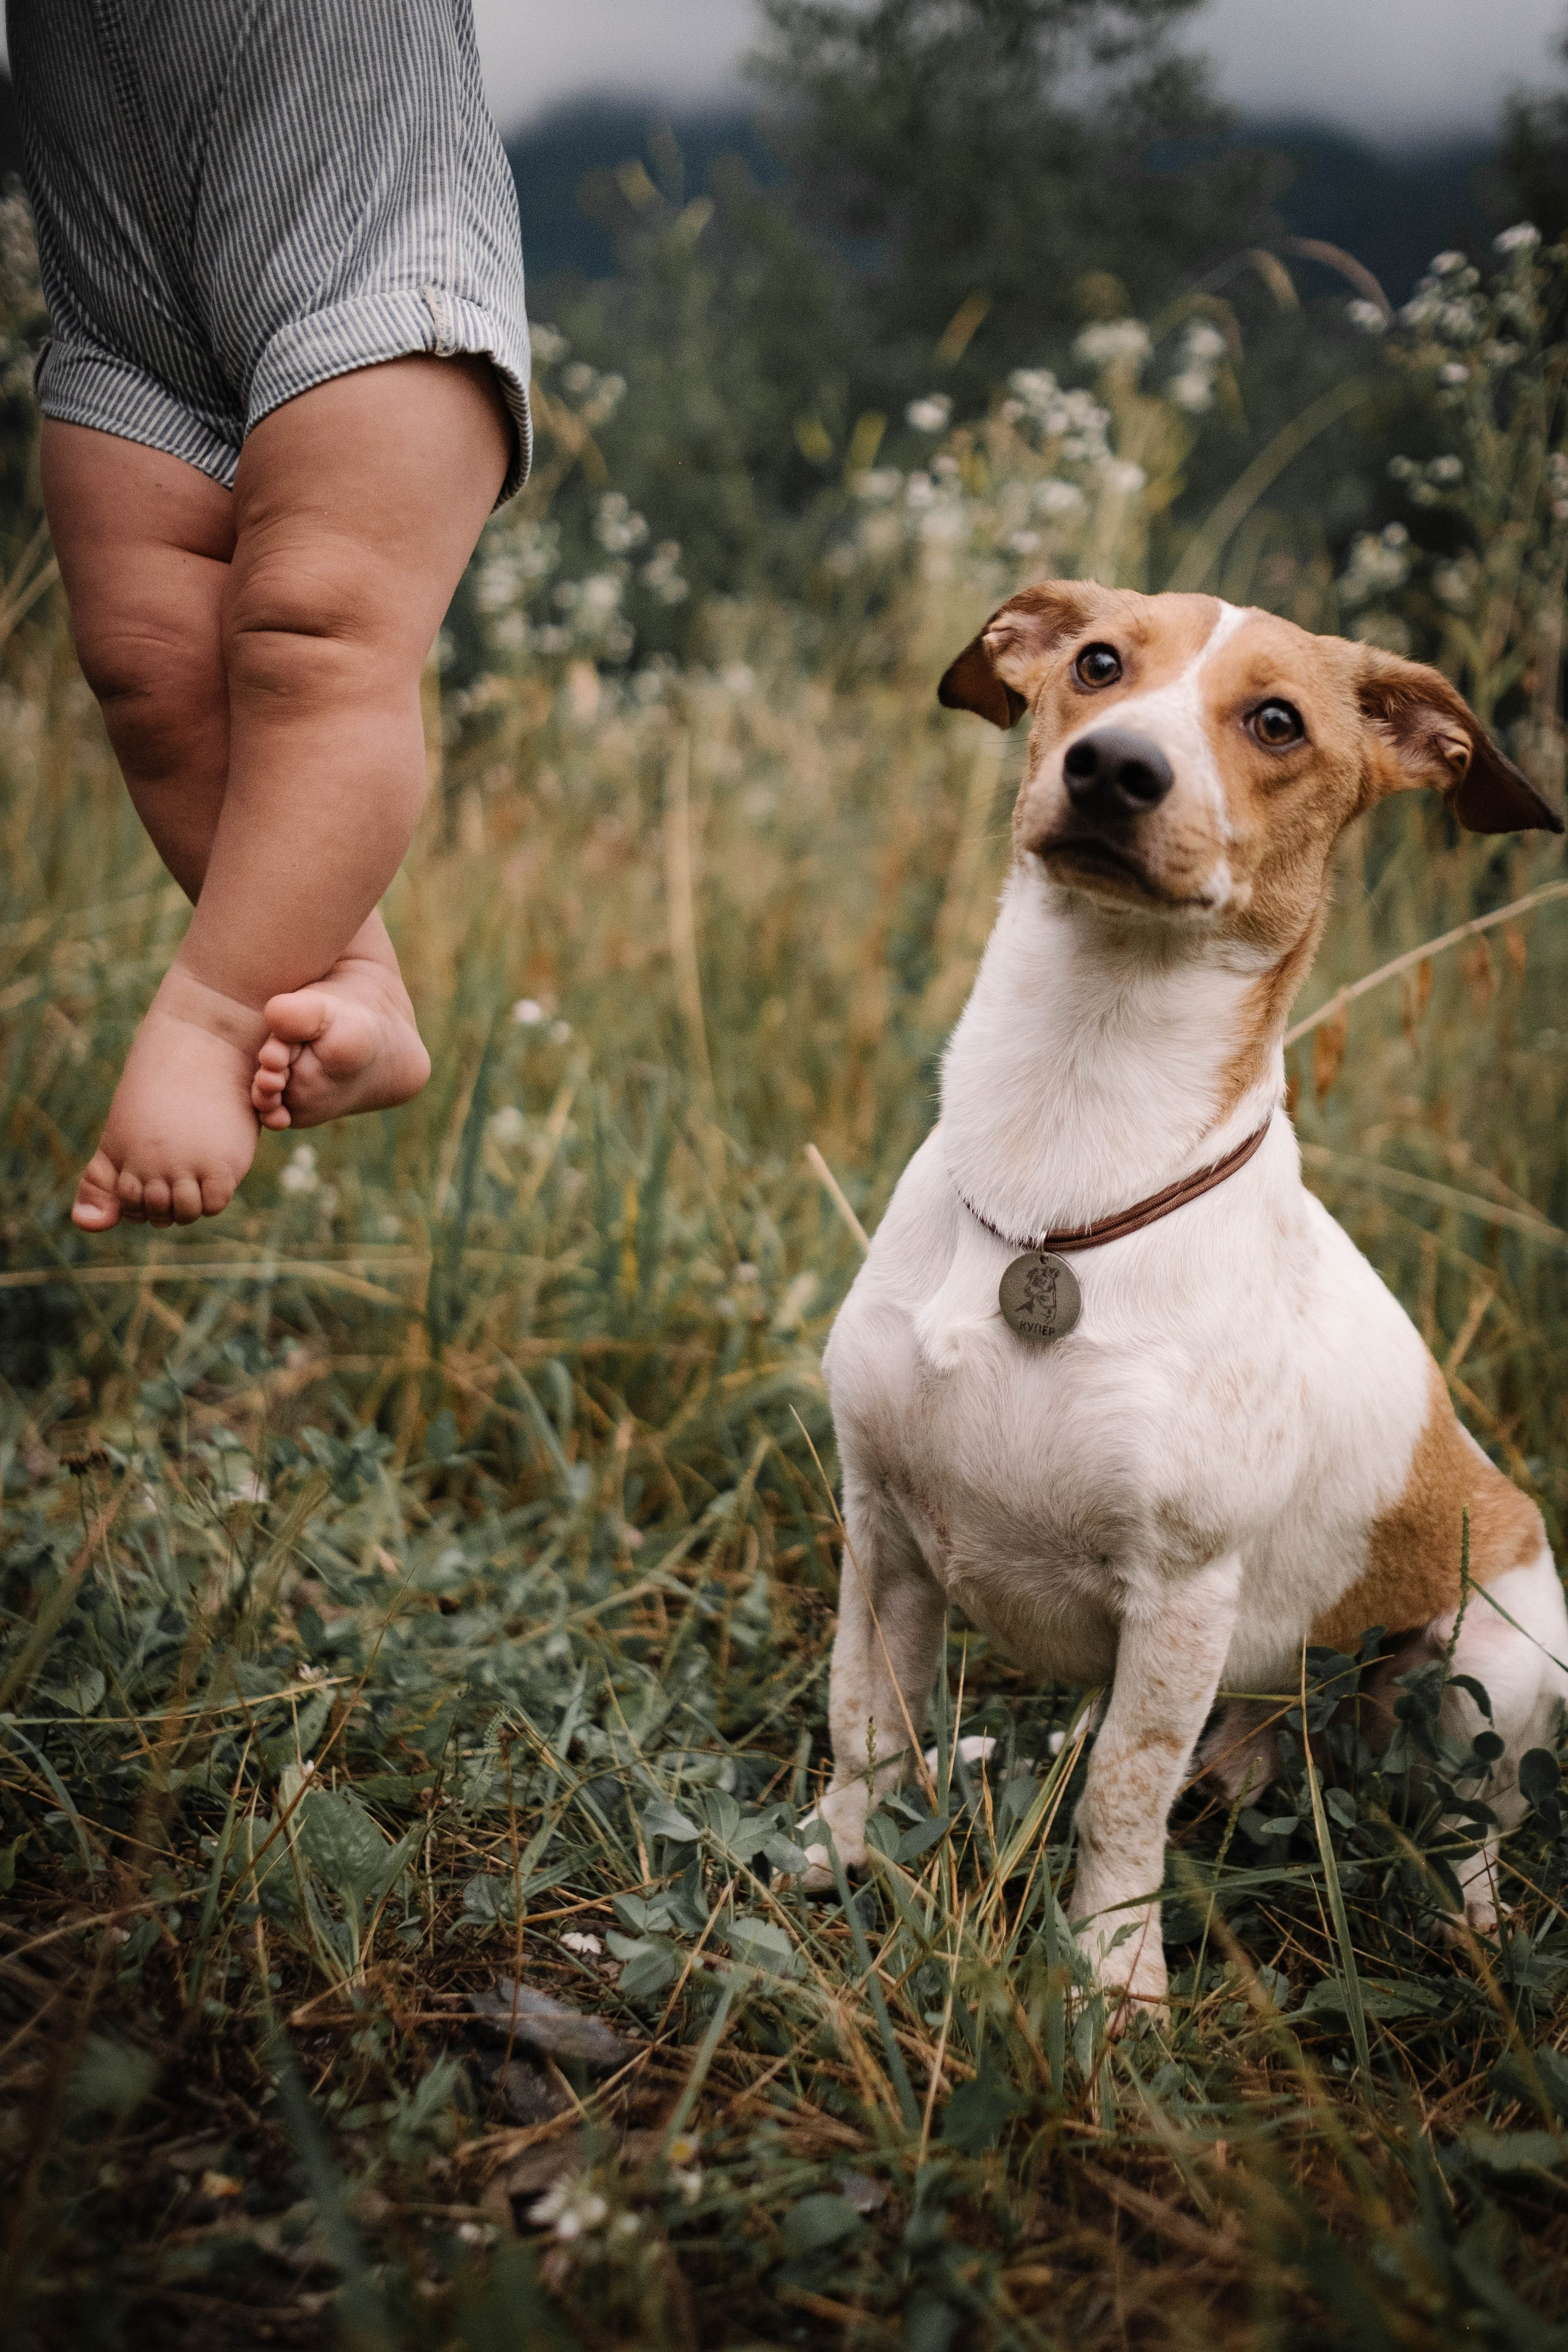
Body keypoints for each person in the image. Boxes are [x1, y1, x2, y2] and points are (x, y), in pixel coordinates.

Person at [7, 0, 530, 1231]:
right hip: (116, 298)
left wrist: (214, 1018)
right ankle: (351, 976)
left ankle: (217, 1016)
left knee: (312, 633)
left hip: (364, 243)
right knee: (145, 668)